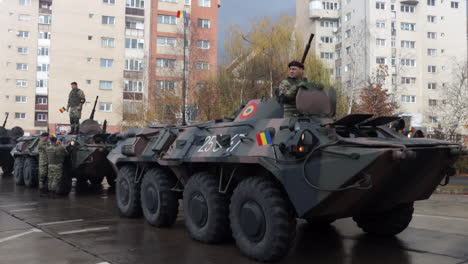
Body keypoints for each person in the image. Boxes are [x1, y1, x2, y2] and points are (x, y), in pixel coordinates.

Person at [38, 132, 49, 197]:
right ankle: (41, 192)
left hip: (46, 161)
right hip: (43, 162)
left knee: (46, 177)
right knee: (42, 177)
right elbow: (47, 148)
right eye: (47, 136)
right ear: (44, 136)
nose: (48, 138)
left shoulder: (46, 142)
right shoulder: (41, 142)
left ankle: (45, 191)